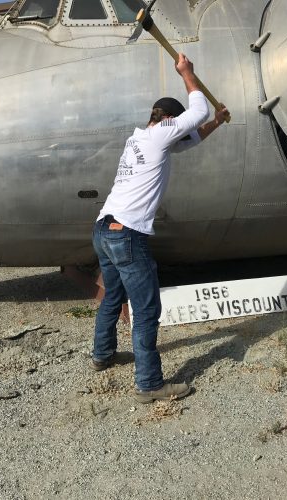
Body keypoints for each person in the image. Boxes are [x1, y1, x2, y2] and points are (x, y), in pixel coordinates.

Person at [91, 53, 229, 404]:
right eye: (176, 123)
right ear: (169, 119)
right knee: (147, 309)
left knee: (112, 297)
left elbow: (190, 138)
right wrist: (188, 74)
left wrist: (217, 122)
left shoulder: (141, 140)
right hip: (127, 235)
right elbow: (194, 115)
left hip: (104, 229)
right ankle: (149, 384)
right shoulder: (160, 135)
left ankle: (102, 355)